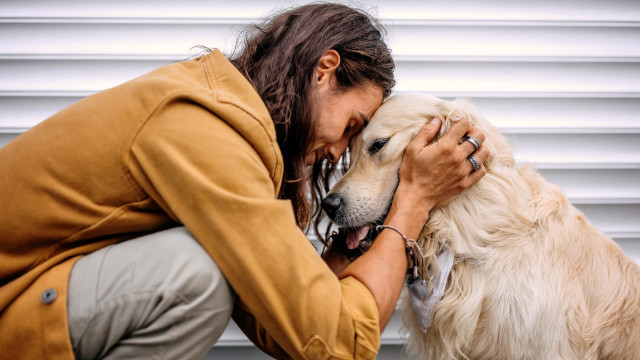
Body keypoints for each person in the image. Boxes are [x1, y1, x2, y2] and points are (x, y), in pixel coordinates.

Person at [0, 3, 487, 360]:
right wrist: (414, 201)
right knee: (196, 276)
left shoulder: (224, 124)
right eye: (352, 127)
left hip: (31, 301)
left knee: (214, 272)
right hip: (12, 310)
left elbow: (281, 328)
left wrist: (336, 269)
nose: (340, 153)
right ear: (324, 69)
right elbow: (340, 344)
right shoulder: (205, 130)